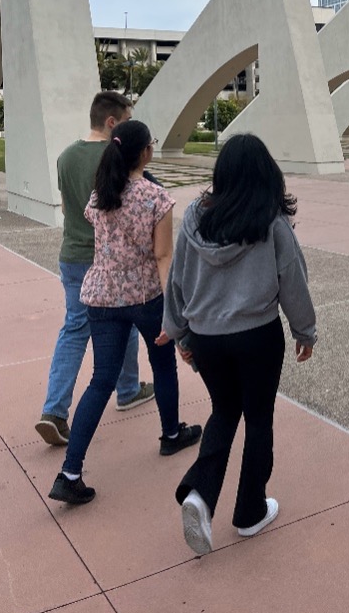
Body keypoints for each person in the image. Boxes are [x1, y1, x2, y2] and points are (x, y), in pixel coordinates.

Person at [162, 133, 317, 556]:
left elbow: (178, 278)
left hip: (208, 340)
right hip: (257, 337)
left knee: (224, 412)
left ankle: (200, 494)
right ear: (266, 172)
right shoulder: (270, 221)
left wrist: (177, 330)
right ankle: (249, 511)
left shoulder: (195, 218)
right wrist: (305, 332)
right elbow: (293, 282)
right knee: (258, 418)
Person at [48, 120, 201, 505]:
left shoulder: (101, 195)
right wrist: (173, 312)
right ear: (145, 152)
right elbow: (163, 256)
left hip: (100, 296)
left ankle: (70, 472)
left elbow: (93, 225)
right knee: (163, 363)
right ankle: (169, 435)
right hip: (145, 296)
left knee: (102, 380)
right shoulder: (156, 198)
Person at [36, 92, 154, 447]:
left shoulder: (65, 157)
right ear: (112, 122)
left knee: (74, 329)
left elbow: (68, 204)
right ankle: (128, 389)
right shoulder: (114, 157)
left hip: (71, 254)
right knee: (126, 318)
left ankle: (54, 410)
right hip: (105, 258)